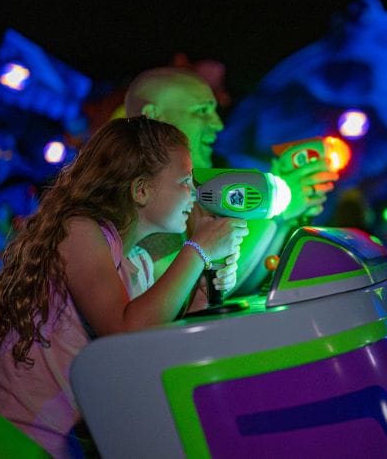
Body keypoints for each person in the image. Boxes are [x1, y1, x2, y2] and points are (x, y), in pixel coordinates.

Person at [0, 116, 248, 457]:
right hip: (13, 441)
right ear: (141, 189)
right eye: (184, 181)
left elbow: (164, 354)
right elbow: (124, 335)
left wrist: (205, 285)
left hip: (70, 444)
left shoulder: (139, 263)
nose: (195, 193)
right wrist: (197, 250)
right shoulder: (79, 232)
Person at [124, 67, 338, 296]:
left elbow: (238, 286)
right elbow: (186, 295)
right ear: (153, 116)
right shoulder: (141, 192)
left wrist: (284, 215)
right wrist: (275, 208)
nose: (217, 123)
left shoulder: (192, 190)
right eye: (202, 110)